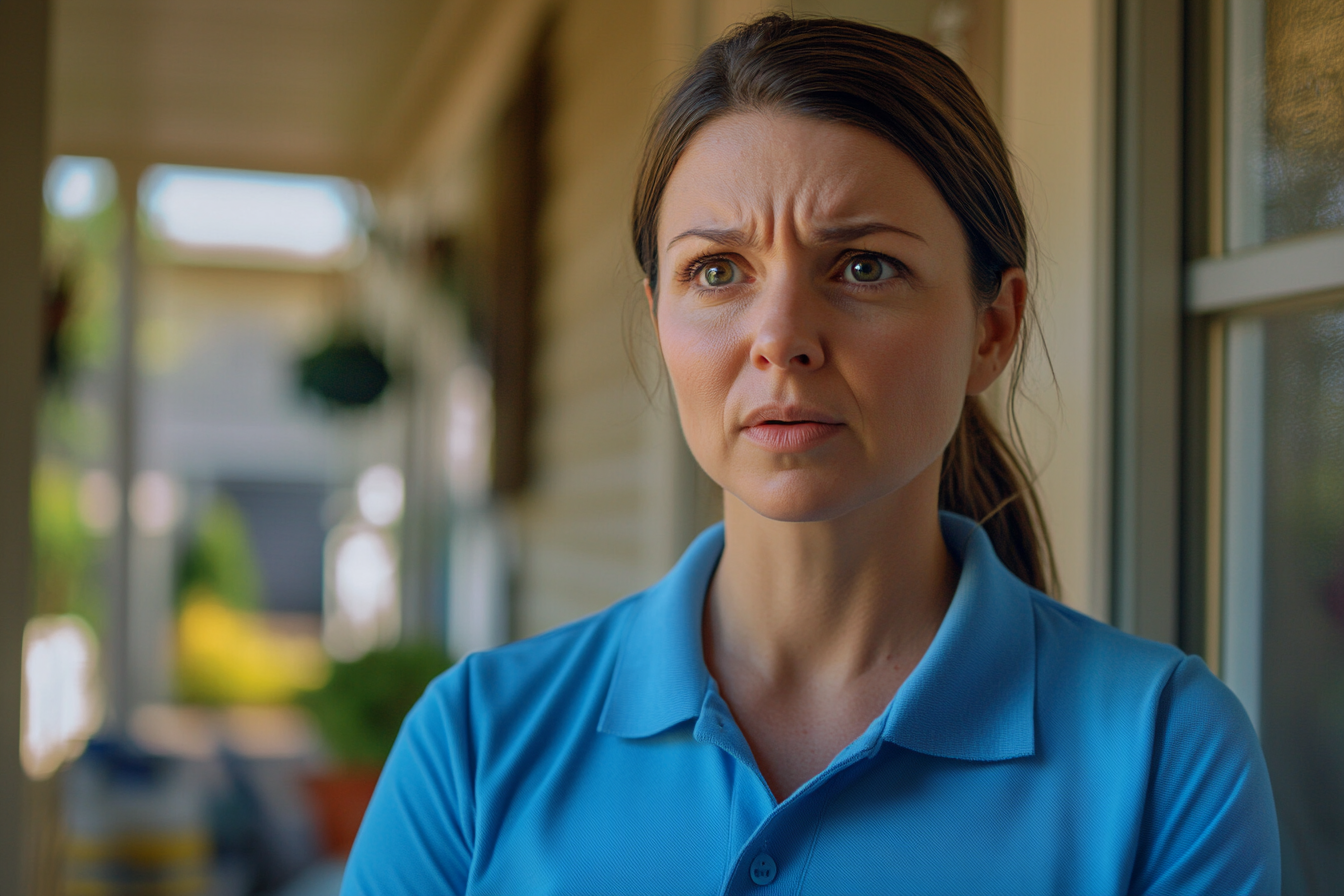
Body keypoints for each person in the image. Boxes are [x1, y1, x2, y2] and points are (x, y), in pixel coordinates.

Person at [342, 15, 1279, 895]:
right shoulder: (473, 744)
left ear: (992, 330)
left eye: (864, 266)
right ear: (660, 318)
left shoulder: (1166, 752)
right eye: (717, 272)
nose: (780, 337)